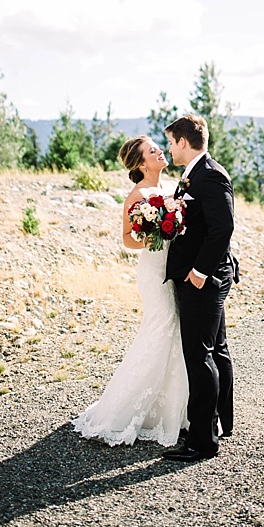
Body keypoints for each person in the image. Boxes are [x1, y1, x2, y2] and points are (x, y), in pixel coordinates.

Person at [72, 136, 189, 446]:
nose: (160, 151)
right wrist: (153, 236)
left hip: (173, 270)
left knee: (176, 331)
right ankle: (124, 411)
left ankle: (175, 409)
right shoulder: (137, 196)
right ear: (141, 164)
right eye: (153, 151)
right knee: (161, 326)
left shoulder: (171, 189)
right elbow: (127, 238)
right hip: (153, 272)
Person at [162, 114, 238, 462]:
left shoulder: (211, 175)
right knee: (216, 349)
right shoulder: (193, 174)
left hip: (203, 280)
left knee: (199, 355)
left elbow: (223, 229)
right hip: (201, 276)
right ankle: (221, 422)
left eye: (171, 142)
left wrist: (199, 272)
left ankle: (202, 441)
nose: (169, 149)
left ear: (183, 141)